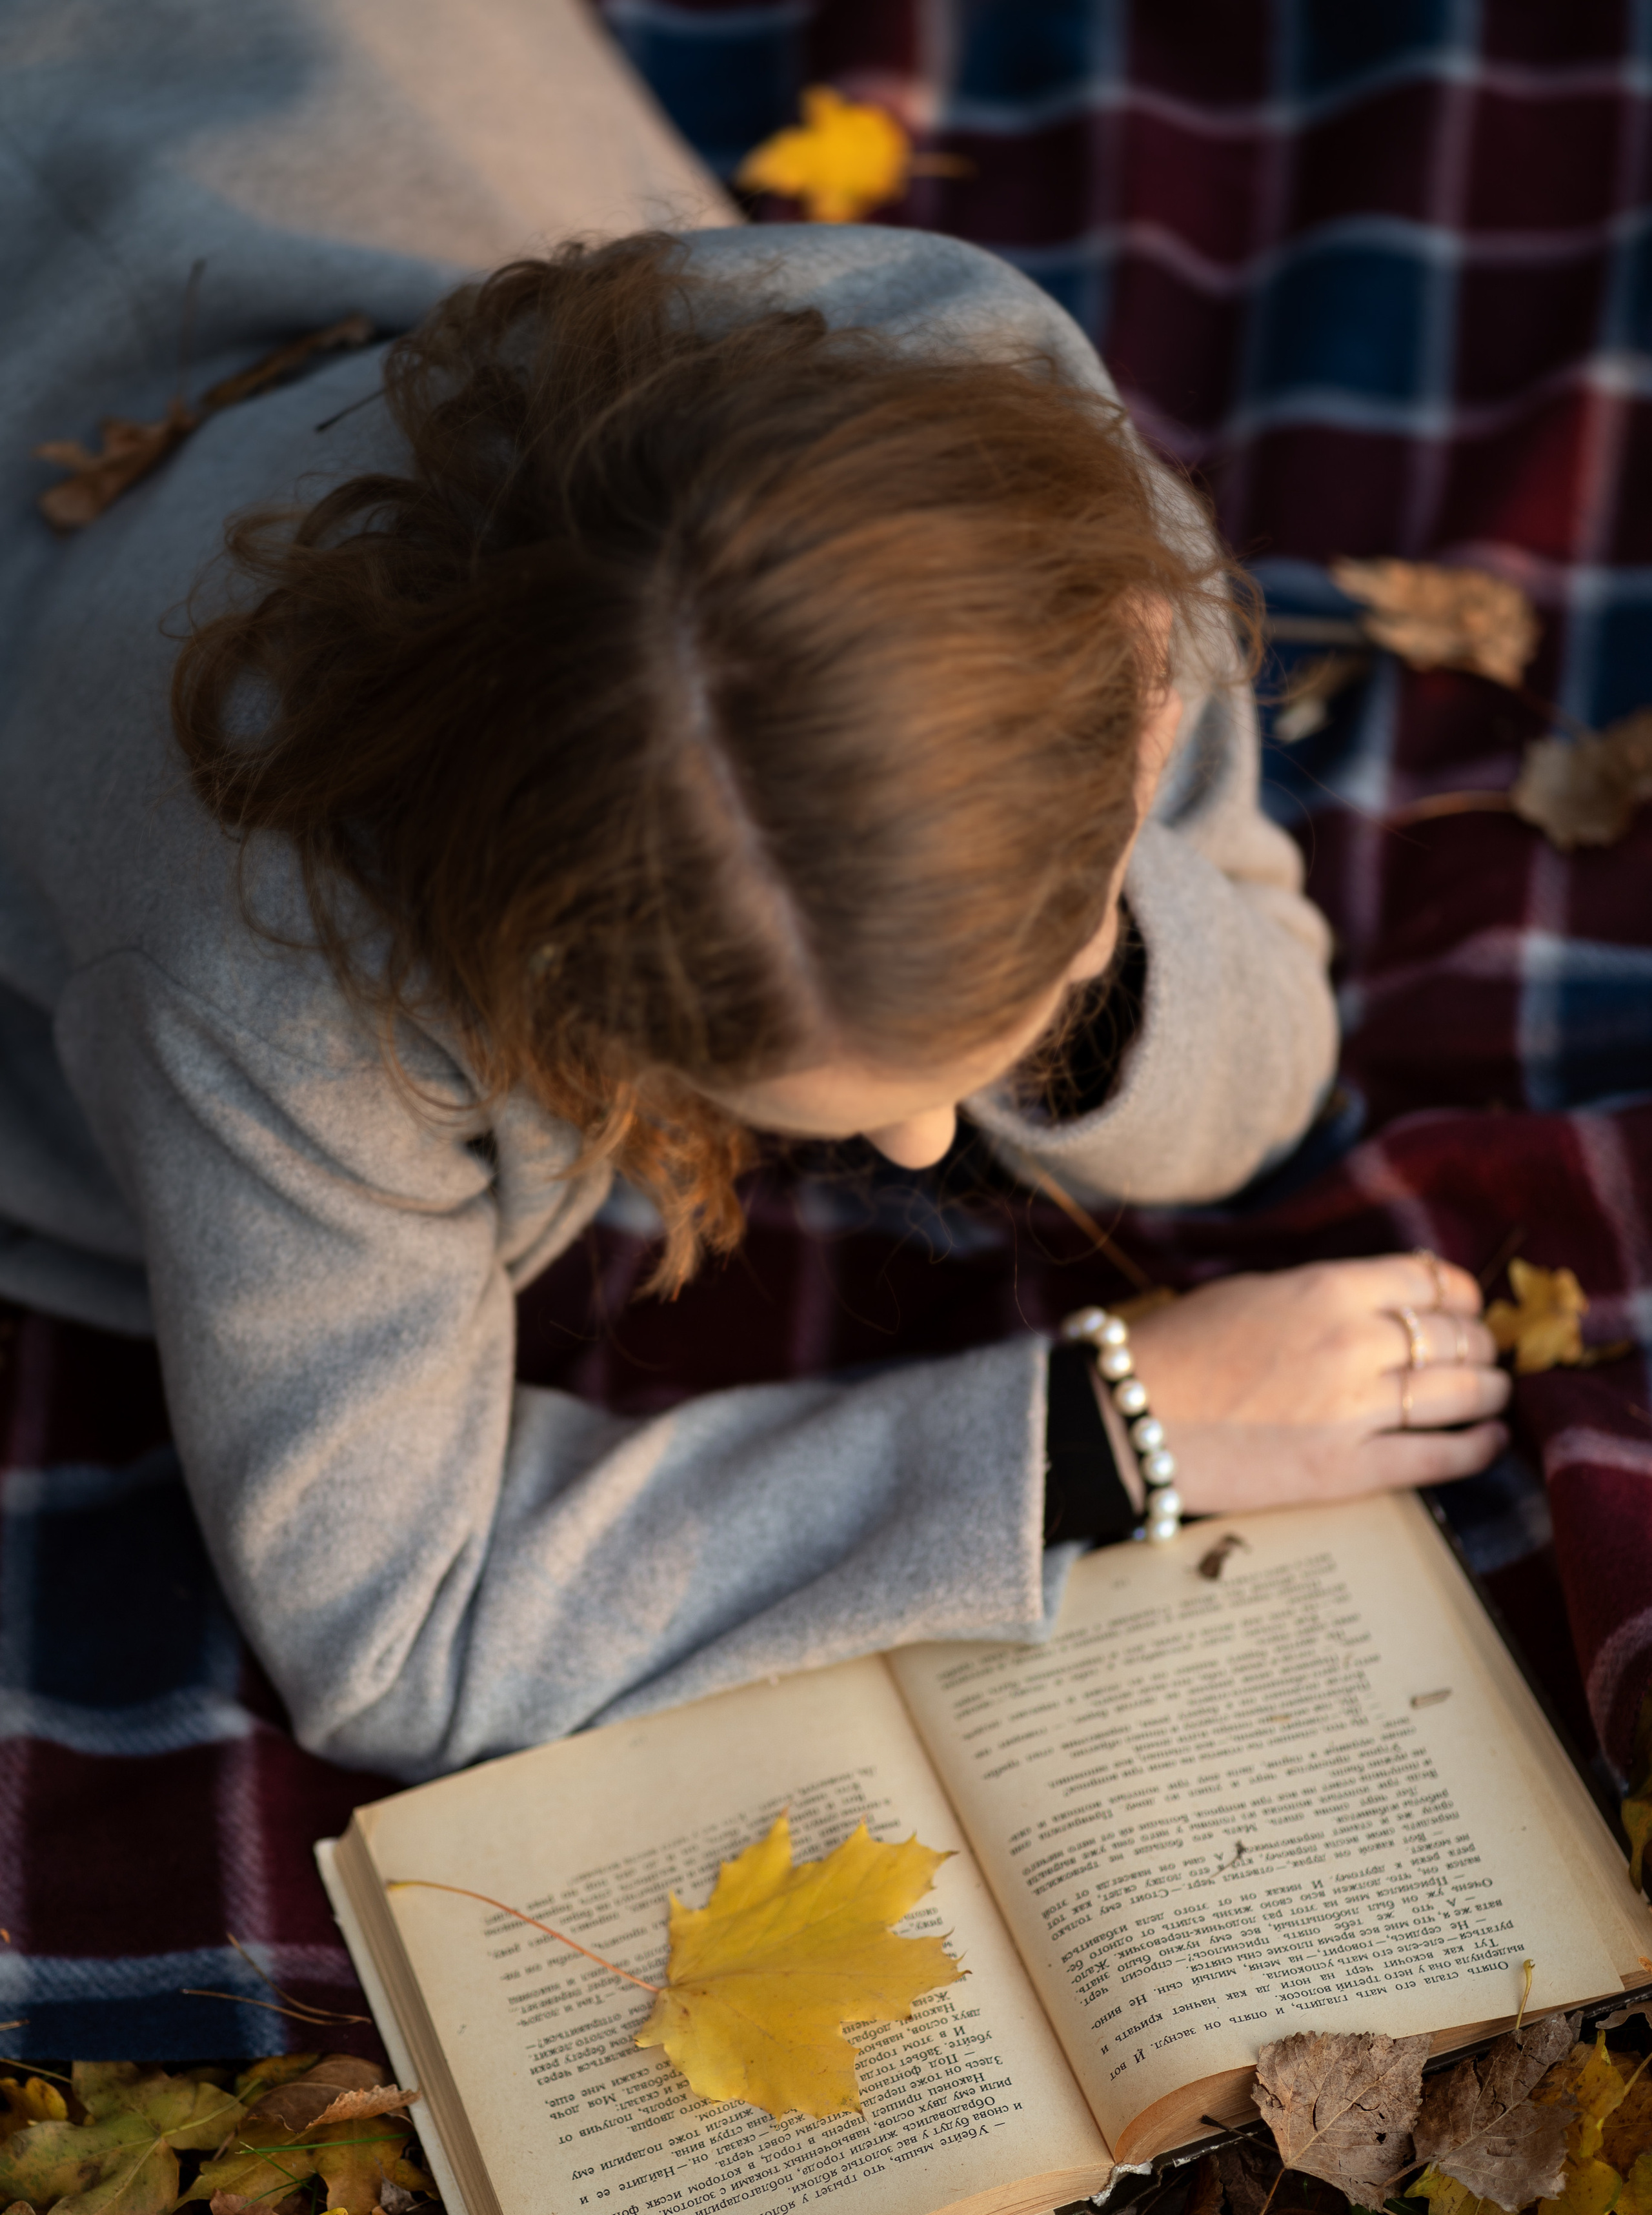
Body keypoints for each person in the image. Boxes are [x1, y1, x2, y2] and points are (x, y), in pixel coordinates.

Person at [0, 5, 1509, 1783]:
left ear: (1136, 676)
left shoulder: (980, 420)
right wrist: (1109, 1427)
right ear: (544, 978)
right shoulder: (265, 976)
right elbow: (403, 1626)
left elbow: (1260, 1073)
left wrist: (1070, 962)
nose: (933, 1144)